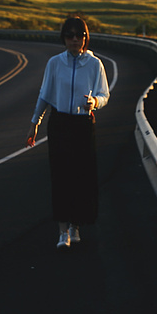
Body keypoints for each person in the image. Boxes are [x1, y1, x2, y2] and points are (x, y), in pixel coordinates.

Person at [27, 15, 110, 248]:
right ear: (63, 38)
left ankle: (76, 225)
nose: (75, 40)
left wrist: (95, 102)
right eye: (70, 35)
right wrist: (35, 123)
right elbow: (44, 94)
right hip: (60, 124)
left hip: (83, 125)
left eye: (79, 35)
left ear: (86, 38)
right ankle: (63, 231)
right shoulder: (55, 63)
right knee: (61, 176)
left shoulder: (95, 65)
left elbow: (105, 95)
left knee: (81, 177)